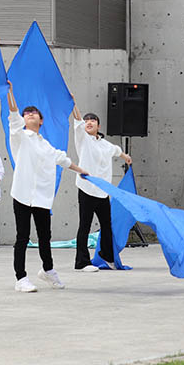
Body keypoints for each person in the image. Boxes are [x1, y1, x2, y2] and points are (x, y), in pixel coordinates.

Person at [6, 82, 88, 292]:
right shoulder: (20, 137)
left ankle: (48, 270)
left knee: (45, 236)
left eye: (34, 113)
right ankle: (20, 278)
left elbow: (63, 160)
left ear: (41, 120)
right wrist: (10, 92)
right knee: (22, 236)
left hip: (42, 197)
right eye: (27, 113)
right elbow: (13, 117)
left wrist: (81, 171)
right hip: (23, 194)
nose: (29, 114)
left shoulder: (46, 145)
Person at [72, 99, 132, 271]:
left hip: (102, 192)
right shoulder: (83, 139)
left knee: (107, 226)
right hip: (86, 189)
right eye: (86, 120)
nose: (88, 122)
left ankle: (107, 256)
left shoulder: (106, 145)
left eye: (92, 120)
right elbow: (76, 120)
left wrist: (126, 157)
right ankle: (82, 262)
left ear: (98, 125)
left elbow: (117, 151)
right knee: (84, 225)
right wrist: (74, 103)